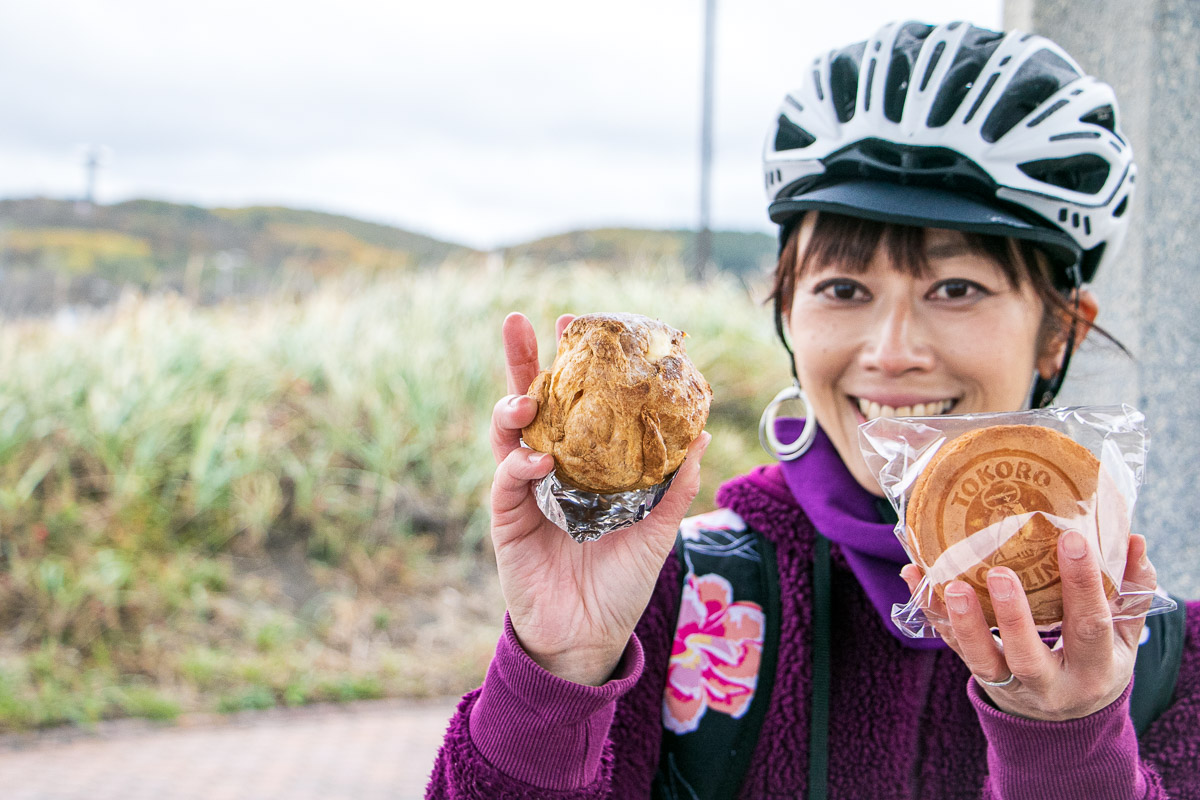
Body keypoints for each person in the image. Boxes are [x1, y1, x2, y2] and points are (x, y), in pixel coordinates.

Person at [426, 20, 1200, 799]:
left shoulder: (1164, 659)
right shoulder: (676, 594)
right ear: (787, 313)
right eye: (843, 289)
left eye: (956, 289)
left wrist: (1070, 748)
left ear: (1059, 331)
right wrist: (557, 672)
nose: (891, 350)